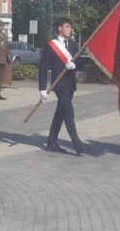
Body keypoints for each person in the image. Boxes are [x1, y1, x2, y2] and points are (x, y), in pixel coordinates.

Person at [38, 17, 85, 155]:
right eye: (67, 27)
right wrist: (42, 89)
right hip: (59, 86)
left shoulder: (73, 45)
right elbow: (43, 67)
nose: (70, 29)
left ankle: (51, 142)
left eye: (70, 27)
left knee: (60, 113)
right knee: (69, 113)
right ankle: (77, 144)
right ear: (59, 28)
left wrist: (74, 65)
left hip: (70, 85)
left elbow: (81, 62)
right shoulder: (51, 45)